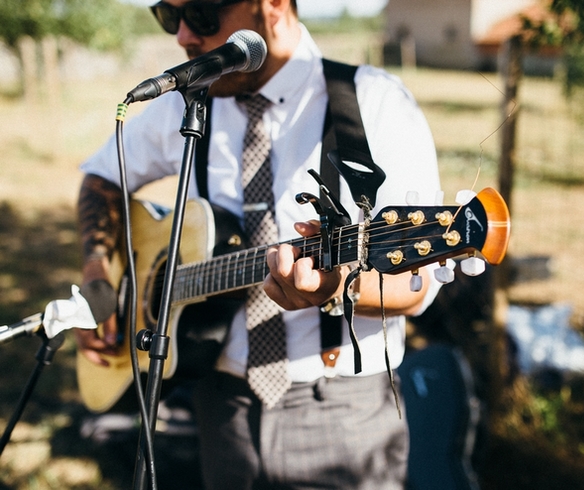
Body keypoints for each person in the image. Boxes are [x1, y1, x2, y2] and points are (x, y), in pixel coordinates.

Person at [74, 0, 442, 488]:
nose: (182, 36)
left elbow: (417, 283)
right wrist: (99, 266)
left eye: (201, 16)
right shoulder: (190, 100)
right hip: (220, 402)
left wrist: (334, 290)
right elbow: (101, 176)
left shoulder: (374, 102)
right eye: (168, 15)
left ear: (269, 6)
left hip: (342, 412)